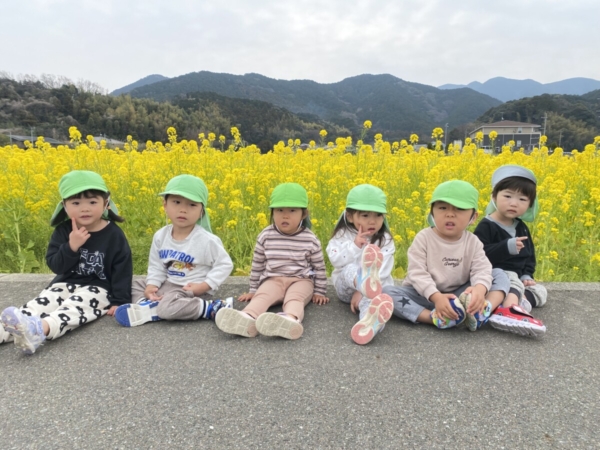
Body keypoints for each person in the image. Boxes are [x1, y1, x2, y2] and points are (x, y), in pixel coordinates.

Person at [0, 170, 132, 355]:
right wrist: (71, 246)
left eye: (92, 202)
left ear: (106, 203)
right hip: (63, 283)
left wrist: (120, 300)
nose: (85, 209)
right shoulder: (63, 231)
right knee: (37, 305)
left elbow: (122, 268)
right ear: (64, 205)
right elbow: (56, 265)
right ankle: (5, 330)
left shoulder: (114, 234)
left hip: (98, 288)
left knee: (73, 310)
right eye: (76, 203)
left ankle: (39, 330)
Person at [383, 180, 510, 332]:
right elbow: (417, 273)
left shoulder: (473, 241)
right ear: (432, 212)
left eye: (459, 209)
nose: (450, 214)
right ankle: (435, 318)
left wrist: (479, 290)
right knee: (387, 293)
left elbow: (481, 269)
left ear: (473, 217)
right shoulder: (424, 238)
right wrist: (436, 297)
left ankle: (482, 309)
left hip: (459, 295)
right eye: (442, 208)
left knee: (499, 274)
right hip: (424, 296)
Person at [114, 174, 234, 327]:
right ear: (165, 205)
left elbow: (224, 264)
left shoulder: (206, 240)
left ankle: (212, 307)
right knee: (135, 285)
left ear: (202, 211)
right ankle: (152, 305)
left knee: (167, 308)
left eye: (192, 205)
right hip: (168, 284)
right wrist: (152, 286)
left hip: (189, 289)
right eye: (176, 202)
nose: (183, 210)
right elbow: (157, 266)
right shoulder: (160, 236)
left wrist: (204, 286)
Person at [215, 183, 328, 340]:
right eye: (279, 210)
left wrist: (319, 291)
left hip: (301, 280)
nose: (285, 216)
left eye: (292, 211)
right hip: (273, 279)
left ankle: (290, 319)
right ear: (272, 212)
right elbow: (257, 264)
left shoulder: (310, 239)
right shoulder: (266, 235)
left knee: (294, 298)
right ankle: (247, 318)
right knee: (262, 296)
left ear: (304, 214)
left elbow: (319, 267)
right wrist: (253, 289)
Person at [474, 165, 547, 337]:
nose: (514, 203)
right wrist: (506, 247)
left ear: (530, 204)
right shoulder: (486, 225)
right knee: (510, 278)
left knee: (541, 292)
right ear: (494, 196)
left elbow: (529, 255)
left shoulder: (521, 226)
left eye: (522, 199)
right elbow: (478, 255)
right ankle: (510, 310)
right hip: (494, 276)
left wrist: (527, 274)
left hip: (517, 279)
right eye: (507, 196)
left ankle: (513, 305)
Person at [326, 184, 395, 345]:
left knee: (374, 304)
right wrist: (355, 246)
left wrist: (365, 293)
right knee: (349, 269)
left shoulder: (385, 239)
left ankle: (368, 325)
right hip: (346, 289)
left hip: (374, 291)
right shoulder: (342, 235)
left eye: (378, 215)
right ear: (350, 216)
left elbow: (383, 270)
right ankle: (362, 282)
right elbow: (336, 261)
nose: (372, 221)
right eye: (365, 215)